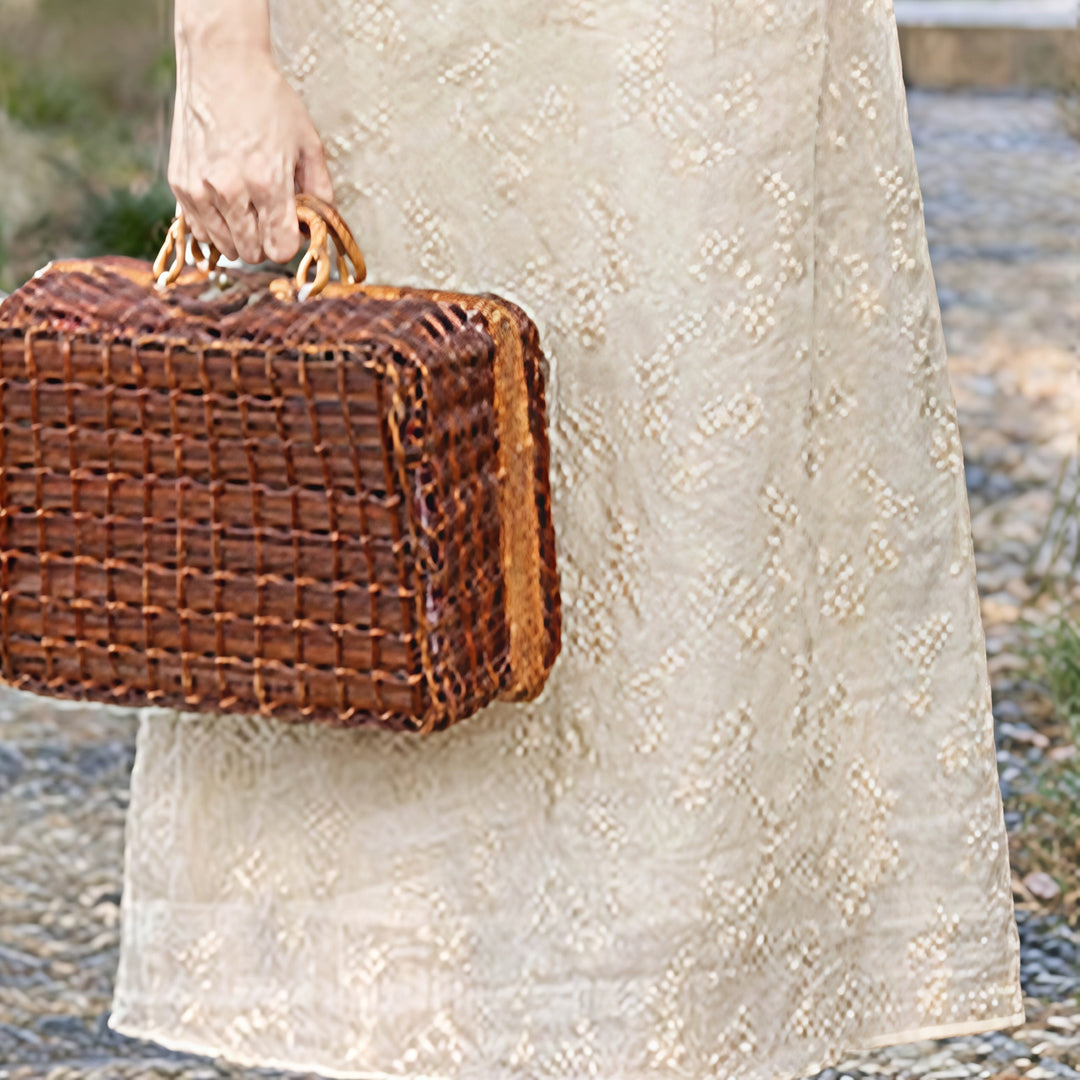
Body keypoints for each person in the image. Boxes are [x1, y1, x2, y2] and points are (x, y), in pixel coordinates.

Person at [107, 0, 1026, 1077]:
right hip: (415, 57)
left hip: (724, 68)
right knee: (395, 546)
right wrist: (218, 44)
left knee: (695, 628)